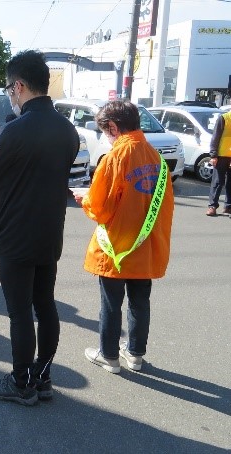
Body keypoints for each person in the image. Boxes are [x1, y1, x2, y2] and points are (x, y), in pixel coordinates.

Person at [0, 50, 80, 406]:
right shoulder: (68, 129)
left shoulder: (13, 130)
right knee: (45, 306)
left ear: (20, 86)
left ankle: (21, 383)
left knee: (19, 312)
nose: (10, 94)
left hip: (14, 235)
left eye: (10, 88)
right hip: (49, 232)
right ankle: (42, 377)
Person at [73, 100, 174, 374]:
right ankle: (135, 355)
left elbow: (100, 207)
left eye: (105, 131)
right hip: (146, 247)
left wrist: (84, 198)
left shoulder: (115, 158)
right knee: (140, 303)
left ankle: (109, 356)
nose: (106, 136)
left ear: (114, 128)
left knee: (111, 304)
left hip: (116, 249)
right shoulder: (157, 158)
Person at [206, 110, 231, 216]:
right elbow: (215, 137)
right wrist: (213, 155)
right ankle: (212, 206)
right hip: (221, 155)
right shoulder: (224, 118)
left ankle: (228, 206)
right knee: (218, 182)